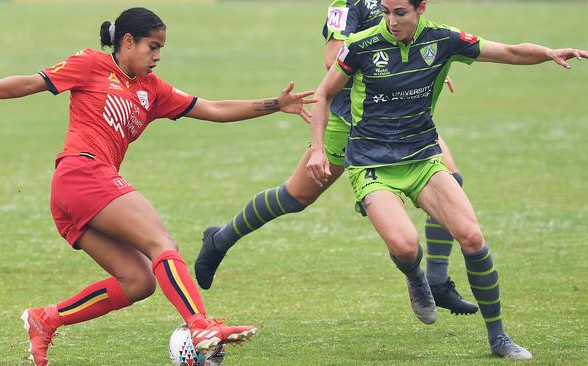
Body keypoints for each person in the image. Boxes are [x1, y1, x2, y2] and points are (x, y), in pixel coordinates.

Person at [0, 7, 315, 366]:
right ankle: (200, 326)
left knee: (138, 281)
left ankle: (46, 319)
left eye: (161, 50)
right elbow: (32, 82)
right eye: (153, 47)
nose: (157, 57)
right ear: (129, 42)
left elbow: (213, 108)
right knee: (161, 244)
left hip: (79, 191)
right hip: (82, 174)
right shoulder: (91, 64)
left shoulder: (152, 90)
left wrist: (273, 104)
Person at [306, 0, 588, 360]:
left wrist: (548, 52)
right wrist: (317, 149)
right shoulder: (360, 44)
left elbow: (510, 52)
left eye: (400, 13)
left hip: (422, 158)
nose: (391, 21)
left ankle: (499, 339)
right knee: (406, 247)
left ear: (420, 8)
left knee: (472, 236)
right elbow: (323, 93)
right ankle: (416, 277)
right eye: (387, 12)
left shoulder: (444, 38)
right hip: (371, 164)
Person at [194, 0, 478, 316]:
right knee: (295, 196)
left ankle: (436, 281)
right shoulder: (347, 5)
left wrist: (413, 67)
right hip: (350, 121)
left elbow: (424, 40)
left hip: (403, 120)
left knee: (452, 178)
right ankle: (220, 239)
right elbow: (333, 57)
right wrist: (388, 67)